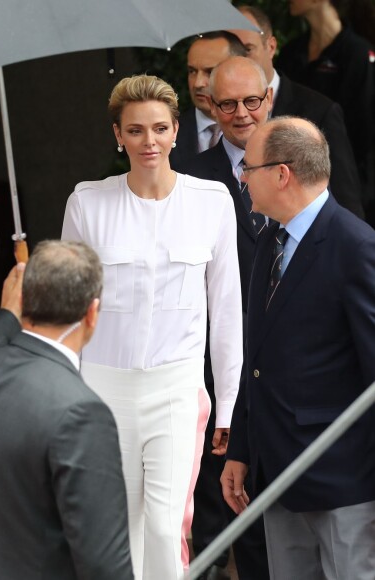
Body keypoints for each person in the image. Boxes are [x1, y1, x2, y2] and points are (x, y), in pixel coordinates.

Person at [62, 74, 243, 579]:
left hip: (176, 389)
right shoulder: (86, 203)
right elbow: (71, 310)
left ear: (177, 130)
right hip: (101, 388)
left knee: (165, 527)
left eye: (159, 129)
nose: (149, 142)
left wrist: (227, 405)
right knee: (114, 526)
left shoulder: (212, 201)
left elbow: (227, 310)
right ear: (117, 135)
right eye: (136, 131)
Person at [221, 116, 375, 580]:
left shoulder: (355, 246)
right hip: (276, 472)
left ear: (282, 174)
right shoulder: (268, 240)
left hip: (343, 478)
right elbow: (258, 357)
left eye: (248, 168)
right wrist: (241, 450)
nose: (241, 178)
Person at [0, 241, 134, 580]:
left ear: (20, 300)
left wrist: (5, 318)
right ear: (93, 313)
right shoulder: (83, 412)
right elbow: (103, 564)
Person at [179, 55, 275, 580]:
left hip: (288, 361)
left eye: (251, 101)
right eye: (228, 104)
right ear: (211, 108)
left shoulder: (300, 166)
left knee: (277, 504)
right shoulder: (189, 176)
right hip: (217, 364)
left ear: (269, 101)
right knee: (216, 503)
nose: (241, 113)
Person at [231, 4, 365, 219]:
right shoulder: (295, 52)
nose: (238, 60)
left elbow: (347, 203)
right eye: (231, 52)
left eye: (247, 49)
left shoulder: (321, 111)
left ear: (271, 47)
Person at [276, 0, 374, 214]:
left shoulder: (358, 53)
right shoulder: (292, 53)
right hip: (296, 176)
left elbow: (365, 131)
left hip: (346, 181)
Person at [170, 31, 246, 167]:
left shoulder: (261, 134)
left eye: (210, 72)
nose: (198, 83)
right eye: (192, 71)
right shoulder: (167, 134)